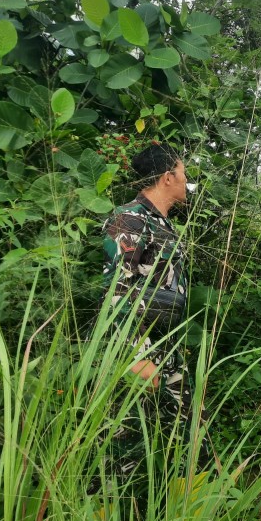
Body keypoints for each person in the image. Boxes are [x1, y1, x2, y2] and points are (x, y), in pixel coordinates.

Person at [101, 142, 204, 479]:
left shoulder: (163, 224)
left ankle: (185, 505)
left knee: (189, 428)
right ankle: (108, 512)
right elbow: (118, 289)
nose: (186, 180)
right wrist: (134, 355)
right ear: (167, 178)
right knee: (125, 441)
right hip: (135, 345)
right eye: (182, 172)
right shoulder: (129, 218)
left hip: (166, 344)